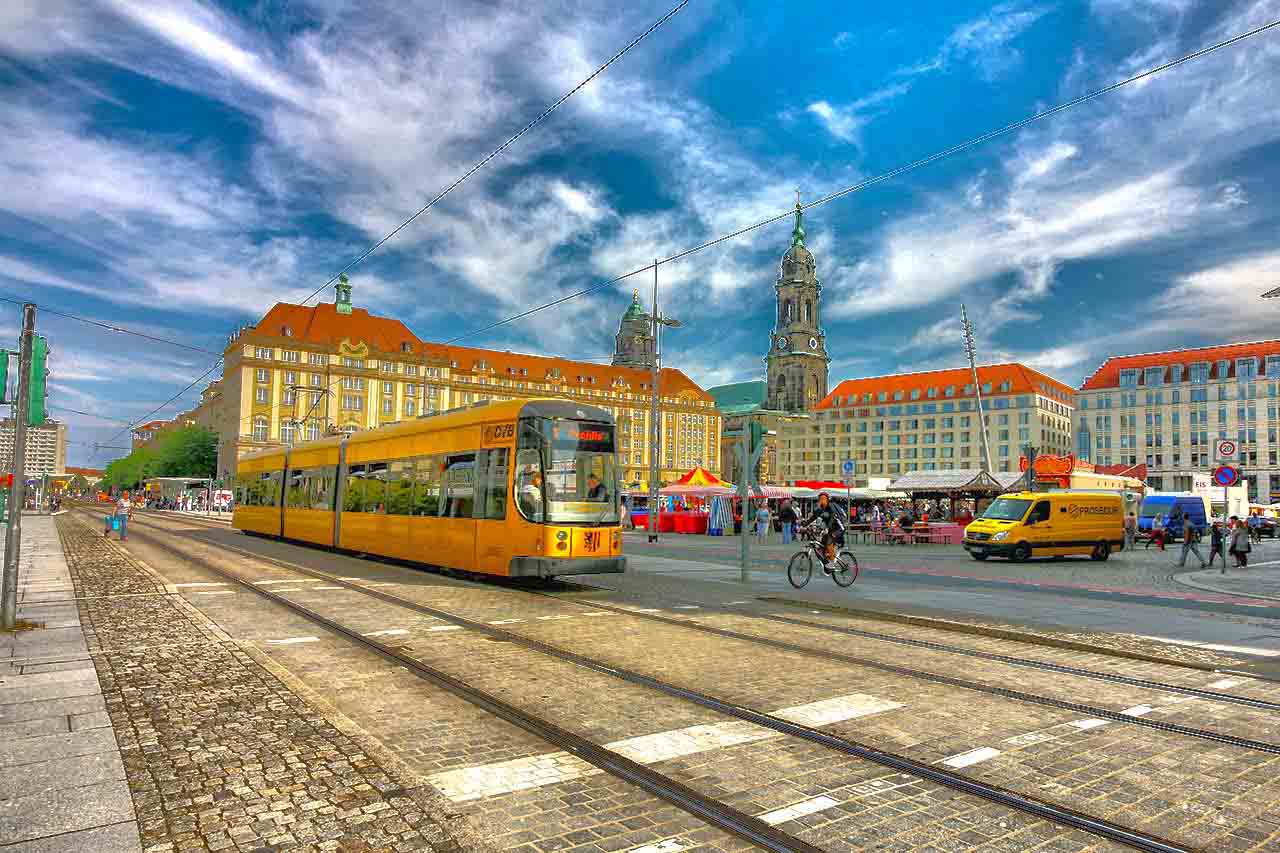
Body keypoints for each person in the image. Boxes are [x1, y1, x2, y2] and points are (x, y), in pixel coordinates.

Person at [801, 492, 845, 571]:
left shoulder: (831, 506)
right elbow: (813, 517)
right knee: (820, 547)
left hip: (838, 528)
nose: (822, 500)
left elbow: (832, 517)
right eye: (820, 499)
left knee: (829, 542)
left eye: (824, 499)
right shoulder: (820, 509)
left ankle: (831, 564)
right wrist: (805, 524)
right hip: (830, 529)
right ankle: (827, 563)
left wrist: (827, 528)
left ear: (827, 500)